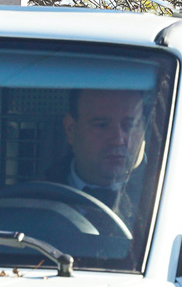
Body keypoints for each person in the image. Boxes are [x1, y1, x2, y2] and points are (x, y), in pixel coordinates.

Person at [62, 88, 151, 220]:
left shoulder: (169, 196)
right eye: (102, 125)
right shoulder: (37, 198)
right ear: (71, 129)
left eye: (130, 126)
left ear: (144, 128)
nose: (118, 140)